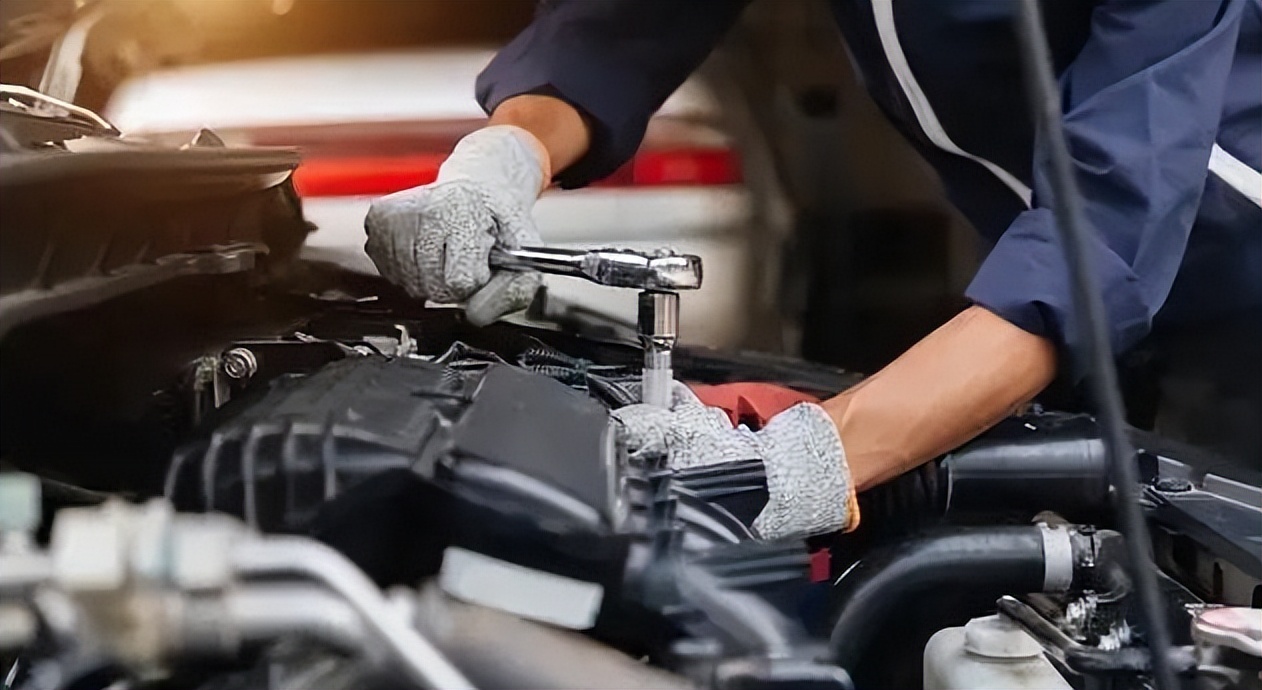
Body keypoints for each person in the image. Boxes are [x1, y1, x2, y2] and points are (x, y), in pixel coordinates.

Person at [364, 0, 1262, 540]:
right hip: (1075, 309)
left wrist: (811, 455)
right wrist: (506, 158)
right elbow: (618, 27)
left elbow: (1104, 232)